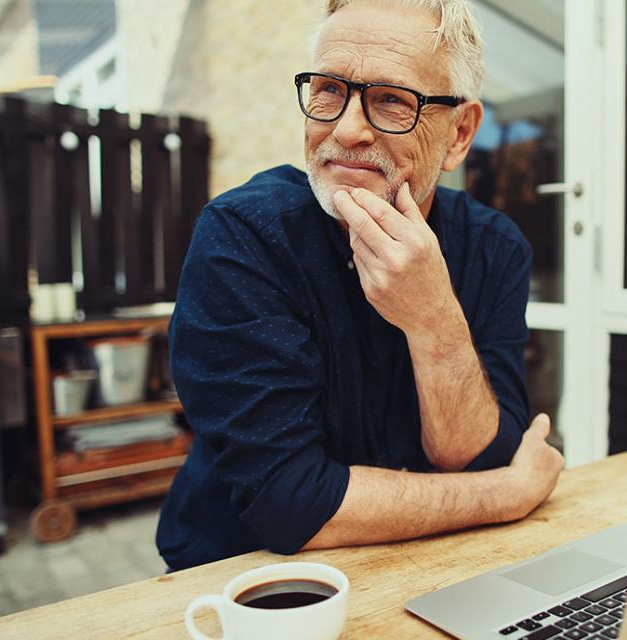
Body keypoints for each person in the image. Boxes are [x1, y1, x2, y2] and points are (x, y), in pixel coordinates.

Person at [156, 0, 564, 571]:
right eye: (329, 89)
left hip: (431, 562)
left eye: (392, 100)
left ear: (459, 133)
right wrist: (506, 493)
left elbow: (476, 455)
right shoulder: (245, 237)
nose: (346, 129)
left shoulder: (494, 246)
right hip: (246, 581)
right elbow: (289, 501)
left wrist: (434, 318)